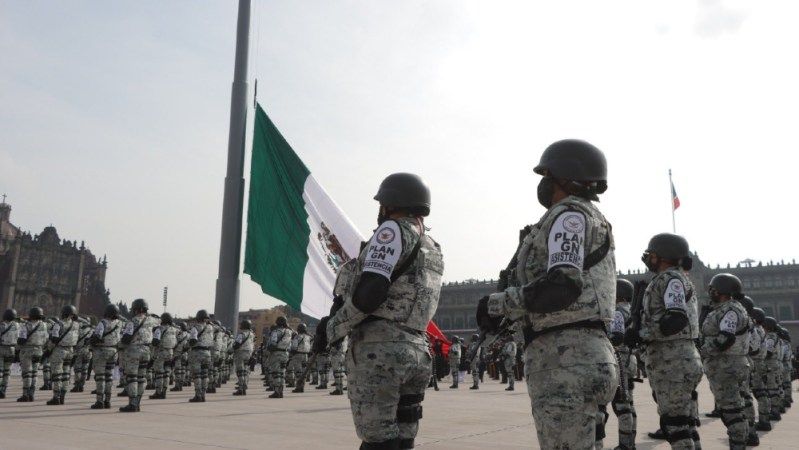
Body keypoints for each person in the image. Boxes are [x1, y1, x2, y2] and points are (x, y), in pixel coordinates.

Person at [483, 140, 617, 449]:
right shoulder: (588, 217)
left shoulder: (568, 216)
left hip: (565, 361)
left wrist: (497, 304)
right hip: (585, 355)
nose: (543, 184)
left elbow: (562, 286)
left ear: (564, 178)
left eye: (547, 176)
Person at [327, 172, 444, 449]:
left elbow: (371, 293)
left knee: (378, 439)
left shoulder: (391, 232)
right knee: (404, 438)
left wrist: (333, 328)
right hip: (416, 348)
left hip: (381, 350)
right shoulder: (433, 247)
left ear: (390, 204)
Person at [629, 233, 702, 449]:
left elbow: (675, 319)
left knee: (676, 427)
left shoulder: (671, 279)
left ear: (662, 256)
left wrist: (641, 332)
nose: (648, 258)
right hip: (674, 358)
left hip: (673, 360)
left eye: (651, 254)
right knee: (684, 424)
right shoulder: (673, 278)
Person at [700, 273, 752, 449]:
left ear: (722, 290)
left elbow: (725, 339)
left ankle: (738, 445)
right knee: (734, 410)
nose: (711, 292)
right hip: (728, 365)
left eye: (713, 289)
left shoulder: (730, 310)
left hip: (727, 366)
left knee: (732, 412)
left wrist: (701, 351)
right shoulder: (727, 308)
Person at [609, 278, 637, 450]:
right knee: (628, 403)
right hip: (629, 360)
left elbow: (617, 337)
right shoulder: (631, 312)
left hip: (620, 360)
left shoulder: (618, 312)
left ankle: (625, 445)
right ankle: (630, 441)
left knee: (622, 405)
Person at [118, 298, 159, 412]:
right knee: (141, 378)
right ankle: (137, 403)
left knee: (132, 378)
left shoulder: (132, 321)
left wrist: (119, 344)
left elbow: (126, 339)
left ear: (136, 309)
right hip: (147, 351)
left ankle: (132, 404)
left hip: (133, 352)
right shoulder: (152, 321)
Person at [46, 305, 81, 405]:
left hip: (59, 350)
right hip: (70, 350)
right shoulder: (76, 325)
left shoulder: (59, 324)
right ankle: (62, 397)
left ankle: (56, 397)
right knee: (66, 374)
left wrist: (49, 350)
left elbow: (54, 339)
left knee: (57, 374)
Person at [90, 304, 122, 409]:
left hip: (101, 352)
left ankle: (99, 401)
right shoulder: (119, 324)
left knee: (100, 378)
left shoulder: (102, 323)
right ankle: (107, 401)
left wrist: (91, 340)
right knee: (109, 377)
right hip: (113, 352)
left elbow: (97, 337)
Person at [16, 307, 49, 402]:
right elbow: (46, 339)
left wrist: (18, 346)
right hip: (38, 351)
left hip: (27, 351)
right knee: (34, 373)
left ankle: (25, 395)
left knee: (27, 373)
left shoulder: (26, 326)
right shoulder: (44, 325)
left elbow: (21, 340)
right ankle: (32, 394)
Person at [149, 312, 178, 400]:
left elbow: (155, 342)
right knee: (167, 373)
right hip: (170, 352)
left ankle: (158, 392)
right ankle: (164, 392)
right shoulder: (174, 330)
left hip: (161, 352)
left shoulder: (159, 329)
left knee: (159, 373)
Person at [188, 310, 215, 403]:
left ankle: (198, 395)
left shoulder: (195, 328)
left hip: (197, 352)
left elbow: (192, 341)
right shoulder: (211, 328)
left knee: (197, 375)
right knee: (205, 375)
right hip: (207, 353)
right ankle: (203, 395)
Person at [266, 316, 292, 398]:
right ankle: (281, 391)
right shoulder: (289, 332)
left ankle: (277, 391)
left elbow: (273, 343)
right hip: (285, 353)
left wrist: (268, 348)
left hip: (276, 353)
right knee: (282, 373)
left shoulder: (276, 331)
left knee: (276, 373)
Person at [0, 308, 20, 399]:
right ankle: (3, 390)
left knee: (0, 371)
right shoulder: (18, 326)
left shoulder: (2, 326)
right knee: (7, 371)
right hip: (12, 350)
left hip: (1, 348)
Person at [232, 319, 255, 395]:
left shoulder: (242, 334)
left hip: (241, 353)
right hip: (248, 354)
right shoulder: (252, 334)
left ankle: (241, 389)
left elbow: (237, 344)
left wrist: (233, 348)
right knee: (245, 372)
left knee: (240, 372)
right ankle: (244, 387)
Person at [288, 323, 312, 393]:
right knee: (304, 372)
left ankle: (298, 387)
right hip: (306, 355)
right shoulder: (308, 337)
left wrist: (291, 353)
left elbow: (294, 347)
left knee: (298, 372)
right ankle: (302, 387)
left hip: (297, 355)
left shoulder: (297, 337)